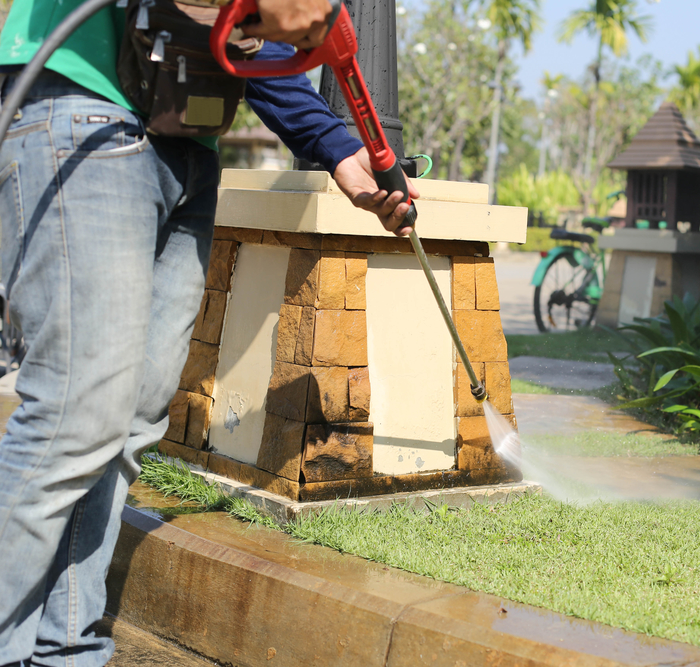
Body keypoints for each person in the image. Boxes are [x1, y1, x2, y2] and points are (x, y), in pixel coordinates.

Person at [0, 0, 418, 663]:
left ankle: (63, 649)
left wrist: (339, 150)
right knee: (74, 418)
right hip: (84, 106)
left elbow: (243, 46)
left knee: (131, 420)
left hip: (187, 144)